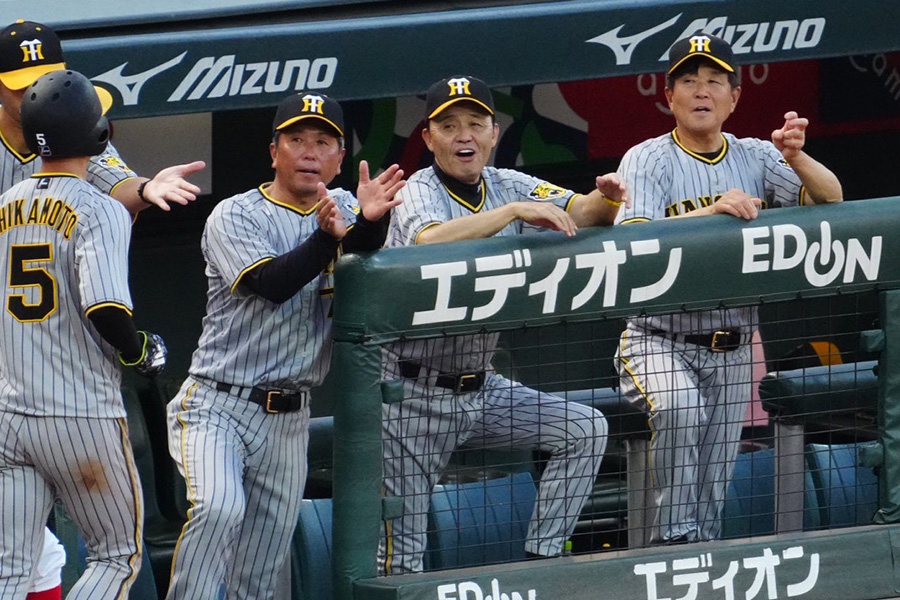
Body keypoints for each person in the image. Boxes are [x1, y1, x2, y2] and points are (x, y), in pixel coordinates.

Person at [379, 75, 627, 574]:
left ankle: (542, 564)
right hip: (409, 399)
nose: (463, 135)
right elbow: (431, 242)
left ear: (495, 132)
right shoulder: (418, 191)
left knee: (584, 428)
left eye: (475, 123)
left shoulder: (509, 182)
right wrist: (512, 212)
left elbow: (583, 211)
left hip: (481, 390)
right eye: (449, 126)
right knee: (399, 561)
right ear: (428, 138)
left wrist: (608, 198)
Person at [165, 91, 404, 599]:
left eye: (323, 141)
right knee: (217, 507)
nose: (309, 151)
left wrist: (372, 224)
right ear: (274, 151)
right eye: (296, 139)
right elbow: (272, 284)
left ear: (341, 158)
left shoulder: (347, 213)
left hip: (290, 418)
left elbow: (364, 262)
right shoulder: (236, 214)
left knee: (262, 571)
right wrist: (329, 240)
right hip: (218, 403)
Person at [614, 34, 842, 544]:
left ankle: (693, 564)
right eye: (689, 81)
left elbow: (832, 199)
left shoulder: (758, 156)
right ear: (668, 95)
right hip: (659, 338)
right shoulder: (646, 158)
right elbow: (632, 242)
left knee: (713, 490)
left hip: (733, 345)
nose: (701, 91)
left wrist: (798, 157)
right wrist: (708, 214)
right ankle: (671, 548)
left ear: (734, 97)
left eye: (714, 81)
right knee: (680, 408)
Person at [0, 69, 167, 599]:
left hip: (9, 414)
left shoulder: (4, 204)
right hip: (80, 414)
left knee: (9, 568)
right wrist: (142, 352)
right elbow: (106, 308)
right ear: (99, 135)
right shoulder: (102, 208)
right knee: (117, 556)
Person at [0, 19, 205, 214]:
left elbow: (117, 184)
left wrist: (147, 189)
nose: (35, 95)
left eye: (45, 83)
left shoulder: (75, 123)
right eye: (23, 88)